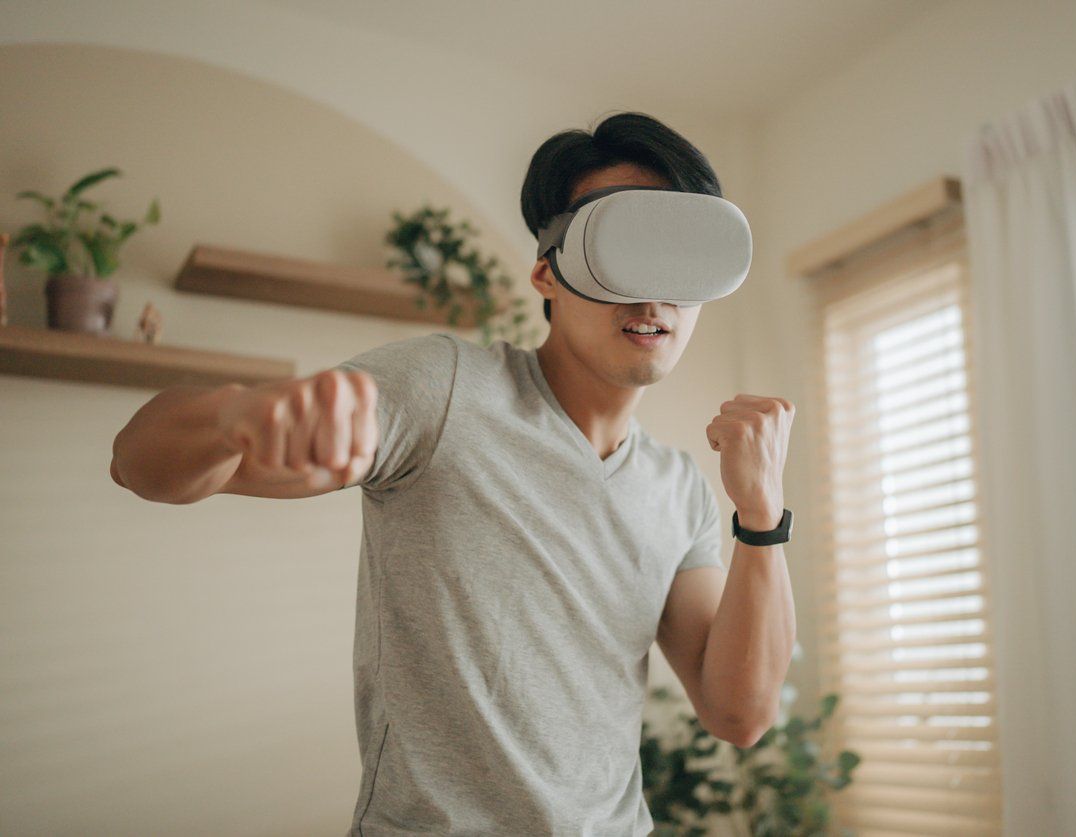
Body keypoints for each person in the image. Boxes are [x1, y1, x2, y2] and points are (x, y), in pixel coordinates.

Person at [109, 110, 797, 836]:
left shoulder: (677, 486)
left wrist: (762, 514)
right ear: (547, 271)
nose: (651, 292)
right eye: (621, 246)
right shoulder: (444, 390)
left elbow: (739, 714)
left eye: (676, 253)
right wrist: (231, 416)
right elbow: (137, 463)